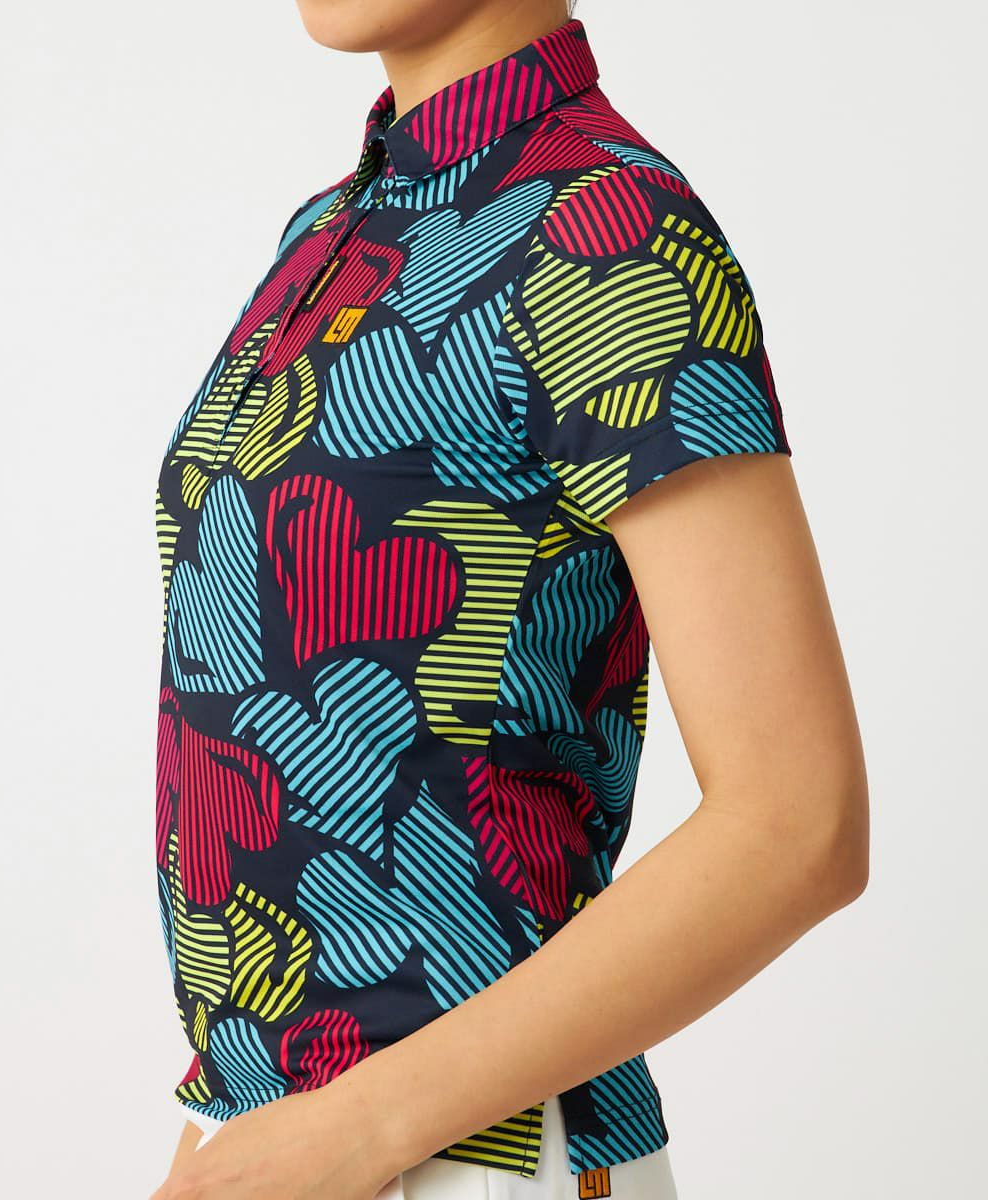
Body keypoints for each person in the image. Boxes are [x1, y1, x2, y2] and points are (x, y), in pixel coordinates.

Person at [149, 1, 869, 1197]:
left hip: (473, 1152)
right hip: (273, 1137)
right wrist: (228, 1128)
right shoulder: (332, 230)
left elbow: (798, 825)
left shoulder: (612, 227)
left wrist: (356, 1132)